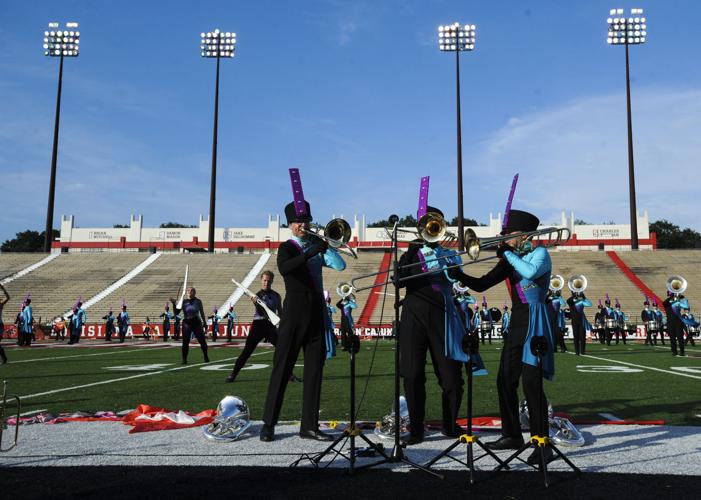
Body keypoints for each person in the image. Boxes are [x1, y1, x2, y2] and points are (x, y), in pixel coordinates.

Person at [450, 209, 556, 464]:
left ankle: (543, 444)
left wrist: (506, 253)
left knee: (531, 383)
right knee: (504, 379)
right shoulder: (510, 257)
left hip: (536, 318)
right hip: (518, 319)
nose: (504, 237)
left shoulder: (540, 253)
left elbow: (530, 273)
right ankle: (512, 435)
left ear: (524, 234)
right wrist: (458, 274)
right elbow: (483, 284)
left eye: (508, 233)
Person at [259, 199, 345, 443]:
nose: (302, 225)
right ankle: (269, 423)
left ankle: (309, 426)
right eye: (298, 222)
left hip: (317, 310)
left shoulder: (317, 246)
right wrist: (310, 252)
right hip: (295, 310)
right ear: (290, 225)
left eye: (305, 220)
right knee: (282, 365)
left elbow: (341, 265)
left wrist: (327, 246)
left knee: (315, 370)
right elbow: (286, 269)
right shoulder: (287, 246)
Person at [397, 205, 468, 445]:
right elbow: (398, 281)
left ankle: (450, 424)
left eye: (436, 223)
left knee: (451, 377)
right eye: (428, 223)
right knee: (412, 373)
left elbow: (455, 276)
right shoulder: (411, 254)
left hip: (443, 315)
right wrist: (410, 252)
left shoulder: (448, 253)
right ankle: (416, 429)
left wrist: (438, 256)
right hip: (413, 316)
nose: (431, 228)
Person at [227, 271, 282, 382]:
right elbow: (261, 312)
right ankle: (233, 374)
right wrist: (255, 303)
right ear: (261, 280)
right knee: (247, 352)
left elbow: (280, 312)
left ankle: (288, 374)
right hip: (258, 325)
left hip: (271, 325)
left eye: (268, 280)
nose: (266, 282)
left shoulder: (277, 296)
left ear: (272, 281)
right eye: (264, 280)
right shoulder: (257, 295)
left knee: (282, 349)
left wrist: (282, 324)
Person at [170, 287, 209, 364]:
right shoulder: (183, 302)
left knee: (202, 341)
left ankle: (205, 356)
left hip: (196, 321)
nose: (189, 292)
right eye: (188, 290)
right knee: (185, 342)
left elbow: (202, 312)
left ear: (194, 292)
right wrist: (174, 304)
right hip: (187, 322)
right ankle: (184, 359)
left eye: (191, 291)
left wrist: (204, 322)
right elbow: (176, 313)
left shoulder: (198, 301)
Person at [663, 292, 692, 357]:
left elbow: (686, 306)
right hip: (670, 322)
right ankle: (674, 352)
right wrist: (673, 297)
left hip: (678, 322)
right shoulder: (667, 303)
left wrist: (683, 298)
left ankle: (682, 352)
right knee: (672, 338)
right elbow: (664, 303)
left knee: (680, 338)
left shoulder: (678, 303)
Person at [567, 291, 591, 355]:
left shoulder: (581, 301)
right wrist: (573, 297)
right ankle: (577, 352)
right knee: (576, 336)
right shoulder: (571, 301)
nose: (577, 293)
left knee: (582, 336)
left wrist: (584, 297)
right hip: (574, 321)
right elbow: (568, 301)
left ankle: (582, 351)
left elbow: (589, 304)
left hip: (582, 320)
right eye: (575, 292)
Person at [323, 291, 338, 359]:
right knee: (326, 339)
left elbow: (335, 311)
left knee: (330, 338)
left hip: (329, 324)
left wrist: (329, 306)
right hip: (324, 324)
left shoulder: (329, 307)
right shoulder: (323, 307)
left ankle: (330, 352)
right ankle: (328, 352)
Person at [0, 284, 9, 363]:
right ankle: (4, 358)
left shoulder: (0, 304)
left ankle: (4, 358)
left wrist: (2, 288)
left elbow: (8, 297)